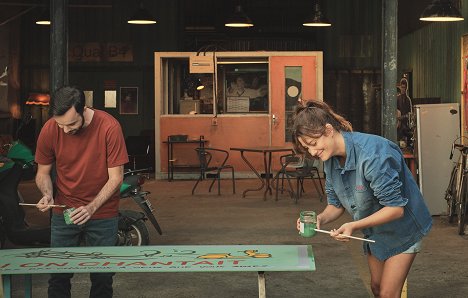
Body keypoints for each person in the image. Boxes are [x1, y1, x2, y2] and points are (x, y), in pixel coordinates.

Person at [292, 99, 432, 297]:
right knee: (376, 287)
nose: (313, 152)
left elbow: (396, 208)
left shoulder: (374, 155)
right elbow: (335, 204)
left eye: (314, 144)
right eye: (307, 148)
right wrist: (320, 219)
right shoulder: (329, 159)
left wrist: (353, 226)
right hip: (374, 231)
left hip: (403, 228)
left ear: (329, 130)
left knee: (387, 293)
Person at [35, 86, 129, 298]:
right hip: (64, 212)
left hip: (103, 213)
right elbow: (42, 173)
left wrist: (91, 207)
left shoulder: (109, 127)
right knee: (58, 275)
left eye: (72, 124)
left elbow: (116, 178)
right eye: (61, 125)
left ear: (84, 109)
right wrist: (47, 194)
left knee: (102, 277)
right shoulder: (51, 128)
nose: (66, 130)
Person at [397, 77, 413, 148]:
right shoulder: (397, 98)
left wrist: (402, 117)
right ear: (400, 87)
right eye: (402, 87)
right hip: (399, 125)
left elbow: (410, 113)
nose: (403, 89)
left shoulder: (408, 100)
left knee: (407, 145)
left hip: (405, 125)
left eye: (404, 87)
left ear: (406, 88)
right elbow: (395, 110)